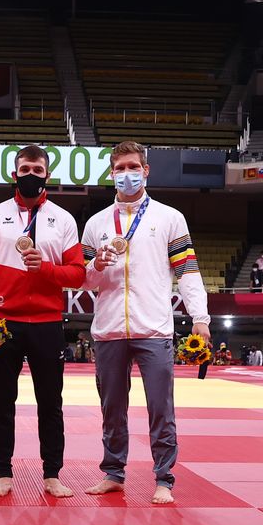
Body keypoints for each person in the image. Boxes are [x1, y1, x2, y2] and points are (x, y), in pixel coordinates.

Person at [80, 141, 211, 505]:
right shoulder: (96, 224)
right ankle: (113, 473)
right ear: (111, 173)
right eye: (120, 168)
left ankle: (163, 478)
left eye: (132, 166)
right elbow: (85, 281)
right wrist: (96, 265)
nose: (126, 173)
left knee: (160, 407)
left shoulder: (169, 218)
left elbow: (187, 271)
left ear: (146, 170)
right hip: (108, 330)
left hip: (154, 327)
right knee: (111, 409)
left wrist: (199, 317)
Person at [0, 145, 85, 500]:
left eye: (37, 168)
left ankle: (52, 474)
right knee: (1, 402)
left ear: (47, 174)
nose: (31, 173)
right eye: (25, 168)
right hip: (2, 322)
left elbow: (77, 274)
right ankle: (3, 473)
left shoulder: (63, 219)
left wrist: (43, 268)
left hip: (46, 322)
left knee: (51, 403)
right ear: (14, 174)